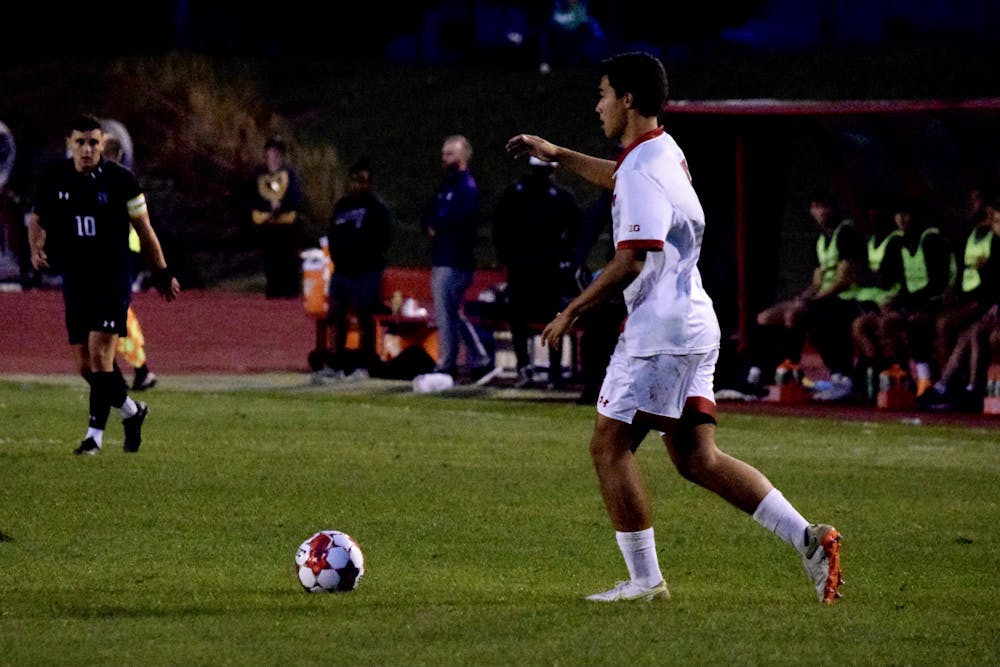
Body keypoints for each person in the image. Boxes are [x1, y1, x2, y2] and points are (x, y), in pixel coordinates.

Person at [506, 52, 842, 604]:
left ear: (628, 99)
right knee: (696, 458)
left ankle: (645, 582)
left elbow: (631, 258)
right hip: (694, 322)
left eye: (603, 94)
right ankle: (809, 538)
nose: (598, 105)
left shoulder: (642, 169)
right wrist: (558, 153)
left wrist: (572, 310)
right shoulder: (664, 150)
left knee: (609, 447)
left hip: (658, 334)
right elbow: (620, 178)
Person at [27, 113, 180, 455]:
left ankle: (93, 437)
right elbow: (37, 220)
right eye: (80, 142)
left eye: (93, 142)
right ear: (69, 144)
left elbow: (145, 229)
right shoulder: (55, 177)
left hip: (112, 280)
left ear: (103, 144)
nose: (86, 149)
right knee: (86, 367)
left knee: (100, 355)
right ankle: (132, 411)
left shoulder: (122, 181)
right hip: (76, 280)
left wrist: (163, 271)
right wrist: (36, 248)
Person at [742, 187, 867, 401]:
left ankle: (817, 372)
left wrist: (812, 301)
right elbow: (817, 281)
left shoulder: (847, 233)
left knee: (797, 314)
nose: (820, 212)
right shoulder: (820, 239)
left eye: (824, 206)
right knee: (765, 317)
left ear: (835, 208)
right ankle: (760, 370)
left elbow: (845, 279)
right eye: (815, 207)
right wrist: (803, 298)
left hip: (846, 299)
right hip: (823, 298)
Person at [493, 155, 582, 388]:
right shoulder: (560, 196)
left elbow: (499, 227)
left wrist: (507, 256)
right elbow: (576, 230)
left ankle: (525, 367)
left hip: (523, 268)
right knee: (552, 317)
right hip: (547, 269)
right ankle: (553, 372)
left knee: (520, 319)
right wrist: (565, 255)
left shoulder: (515, 192)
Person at [420, 134, 491, 381]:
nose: (444, 158)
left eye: (449, 154)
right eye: (444, 153)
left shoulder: (466, 187)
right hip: (443, 257)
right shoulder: (447, 185)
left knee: (447, 311)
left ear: (462, 157)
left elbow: (459, 219)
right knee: (449, 311)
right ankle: (477, 359)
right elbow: (429, 214)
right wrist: (431, 223)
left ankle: (449, 362)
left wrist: (438, 224)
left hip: (455, 259)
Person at [325, 157, 394, 379]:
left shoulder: (376, 207)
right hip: (342, 271)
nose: (358, 184)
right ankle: (336, 365)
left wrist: (365, 259)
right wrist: (338, 258)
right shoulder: (342, 206)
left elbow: (383, 238)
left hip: (365, 272)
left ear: (369, 182)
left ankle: (364, 366)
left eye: (363, 180)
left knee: (365, 318)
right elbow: (333, 234)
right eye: (355, 180)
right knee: (336, 316)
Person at [103, 131, 157, 391]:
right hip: (120, 253)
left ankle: (138, 369)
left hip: (119, 254)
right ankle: (120, 370)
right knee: (108, 313)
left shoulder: (117, 183)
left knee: (116, 314)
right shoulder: (116, 181)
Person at [250, 136, 303, 299]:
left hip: (286, 223)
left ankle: (291, 290)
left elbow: (295, 197)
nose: (274, 156)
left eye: (277, 153)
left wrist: (281, 205)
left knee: (288, 258)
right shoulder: (259, 175)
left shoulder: (289, 174)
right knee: (271, 259)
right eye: (271, 152)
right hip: (267, 224)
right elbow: (253, 198)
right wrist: (268, 207)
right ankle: (273, 289)